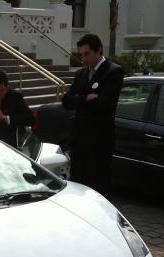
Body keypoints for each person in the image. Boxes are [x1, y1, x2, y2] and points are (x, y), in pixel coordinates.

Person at [62, 33, 124, 199]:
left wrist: (79, 101)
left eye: (87, 54)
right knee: (78, 189)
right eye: (81, 54)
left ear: (99, 51)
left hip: (98, 142)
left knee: (98, 190)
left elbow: (104, 104)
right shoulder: (81, 73)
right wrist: (85, 98)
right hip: (78, 141)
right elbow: (66, 101)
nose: (83, 58)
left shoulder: (113, 71)